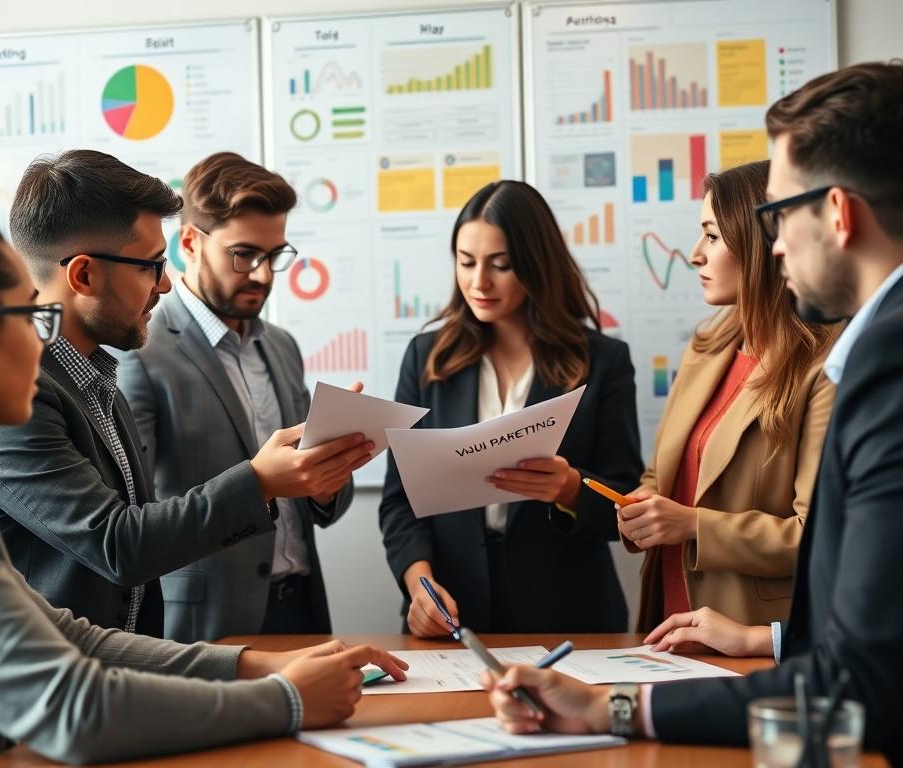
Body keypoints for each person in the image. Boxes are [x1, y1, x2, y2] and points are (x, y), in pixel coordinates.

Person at [0, 178, 407, 767]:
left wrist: (258, 665)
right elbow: (73, 705)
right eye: (30, 313)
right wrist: (284, 699)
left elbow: (70, 637)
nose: (41, 337)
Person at [482, 62, 903, 765]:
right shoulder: (714, 347)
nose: (772, 243)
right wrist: (588, 495)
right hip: (683, 639)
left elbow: (855, 661)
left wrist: (612, 706)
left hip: (769, 678)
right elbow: (657, 483)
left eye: (776, 214)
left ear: (836, 214)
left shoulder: (872, 367)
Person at [0, 150, 374, 636]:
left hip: (126, 672)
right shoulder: (7, 399)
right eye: (150, 267)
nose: (167, 283)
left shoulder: (95, 374)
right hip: (64, 687)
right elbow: (119, 543)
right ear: (84, 275)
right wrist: (260, 482)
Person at [380, 180, 643, 637]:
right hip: (453, 610)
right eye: (466, 262)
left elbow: (627, 497)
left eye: (500, 265)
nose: (478, 282)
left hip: (569, 611)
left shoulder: (603, 362)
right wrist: (419, 584)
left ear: (537, 263)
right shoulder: (426, 358)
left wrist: (570, 489)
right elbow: (399, 500)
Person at [117, 152, 358, 640]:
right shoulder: (140, 353)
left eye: (275, 257)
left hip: (303, 604)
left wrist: (327, 479)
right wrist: (262, 484)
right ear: (189, 242)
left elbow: (314, 497)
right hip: (206, 622)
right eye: (244, 254)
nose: (264, 275)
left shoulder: (282, 346)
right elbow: (132, 517)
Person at [620, 160, 838, 632]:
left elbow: (818, 535)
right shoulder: (706, 347)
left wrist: (693, 524)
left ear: (761, 246)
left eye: (712, 237)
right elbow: (662, 475)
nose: (695, 255)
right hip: (667, 626)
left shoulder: (822, 369)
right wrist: (643, 507)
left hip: (751, 635)